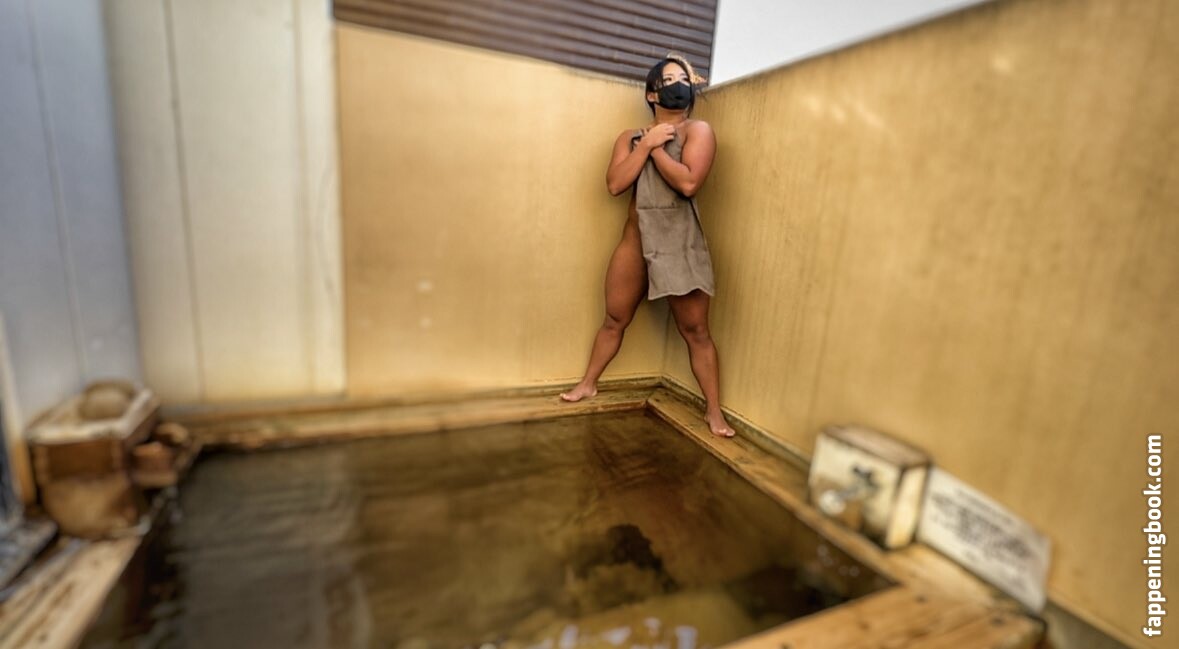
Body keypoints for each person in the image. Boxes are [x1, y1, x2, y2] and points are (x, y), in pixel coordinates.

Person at [560, 54, 735, 439]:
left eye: (683, 79)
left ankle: (714, 412)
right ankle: (588, 384)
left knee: (696, 331)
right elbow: (615, 184)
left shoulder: (698, 131)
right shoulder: (629, 137)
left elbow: (688, 183)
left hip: (678, 245)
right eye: (668, 80)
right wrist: (645, 144)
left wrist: (656, 148)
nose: (678, 85)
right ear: (652, 94)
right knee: (613, 319)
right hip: (635, 242)